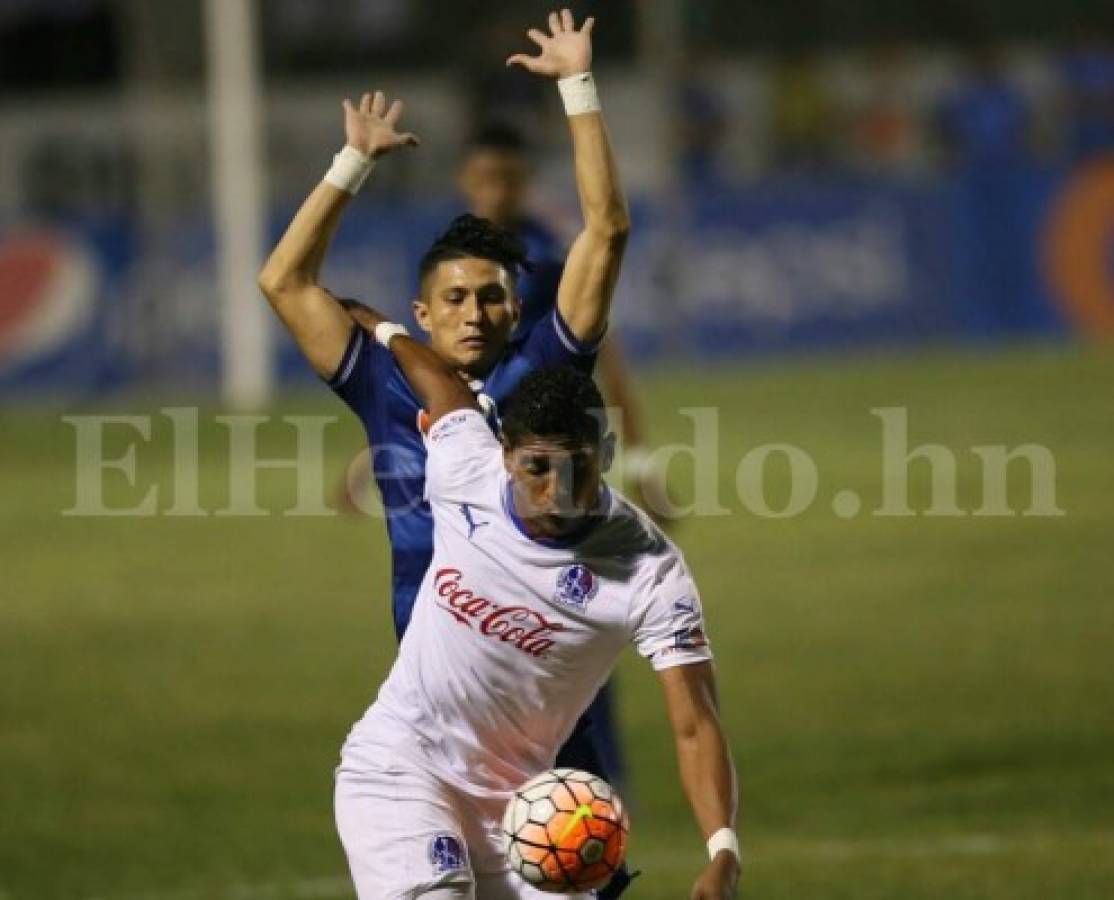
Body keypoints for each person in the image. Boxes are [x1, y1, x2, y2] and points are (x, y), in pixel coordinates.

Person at [259, 9, 636, 897]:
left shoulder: (550, 364)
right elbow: (283, 282)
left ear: (518, 307)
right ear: (423, 315)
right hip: (436, 707)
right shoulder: (383, 382)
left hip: (546, 696)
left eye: (493, 299)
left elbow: (607, 232)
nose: (475, 313)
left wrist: (578, 87)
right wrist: (350, 164)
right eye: (455, 299)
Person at [333, 318, 741, 899]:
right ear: (504, 455)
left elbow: (696, 722)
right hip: (403, 766)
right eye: (537, 468)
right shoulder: (464, 465)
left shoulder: (650, 567)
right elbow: (442, 388)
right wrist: (384, 328)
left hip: (531, 813)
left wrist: (721, 847)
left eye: (576, 466)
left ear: (605, 453)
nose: (555, 490)